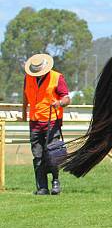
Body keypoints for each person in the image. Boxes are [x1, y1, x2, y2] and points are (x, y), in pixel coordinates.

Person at [21, 54, 71, 195]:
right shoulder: (28, 78)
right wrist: (24, 113)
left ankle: (55, 183)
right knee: (37, 155)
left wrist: (59, 103)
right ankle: (42, 187)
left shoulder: (57, 77)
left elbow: (67, 98)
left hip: (52, 121)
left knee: (53, 153)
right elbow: (25, 96)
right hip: (35, 122)